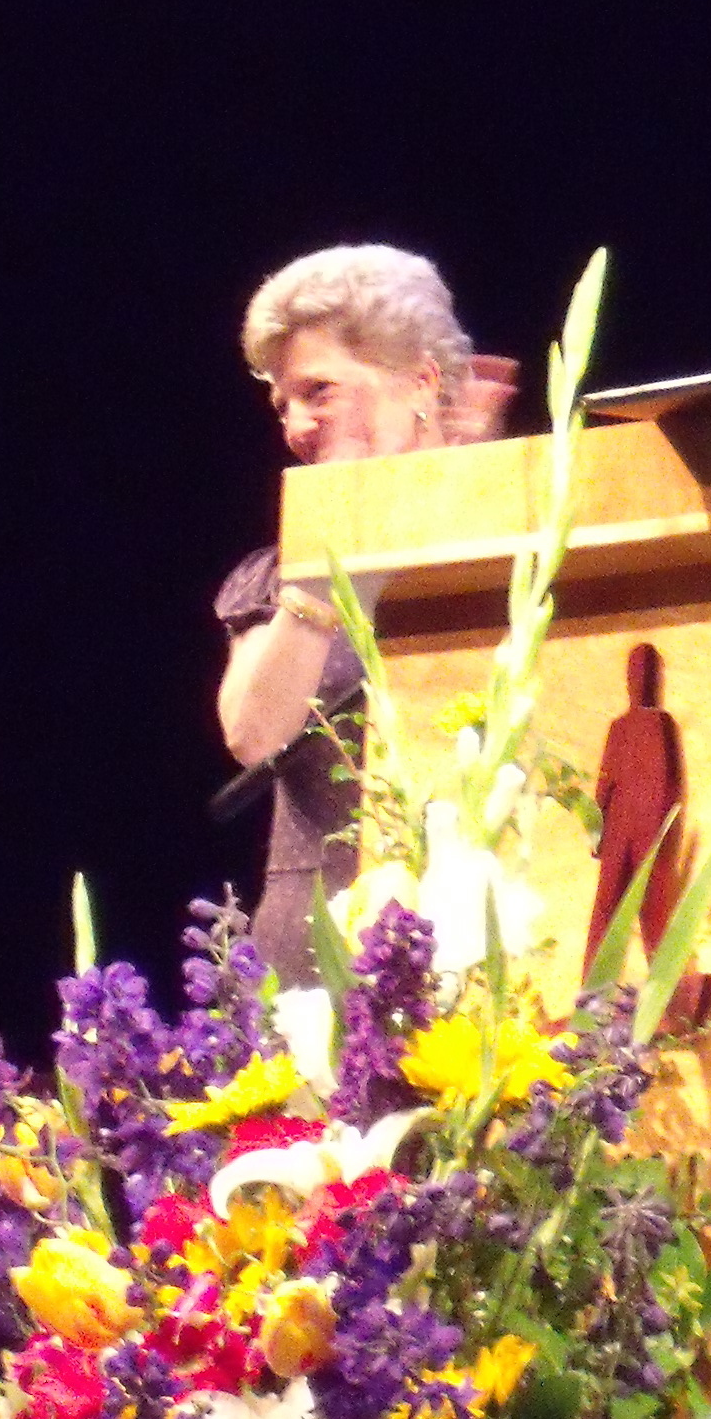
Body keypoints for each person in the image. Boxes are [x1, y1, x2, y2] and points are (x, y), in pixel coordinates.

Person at [217, 242, 507, 984]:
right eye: (283, 404)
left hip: (496, 937)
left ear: (420, 382)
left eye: (319, 391)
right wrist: (324, 570)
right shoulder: (281, 577)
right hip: (320, 964)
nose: (296, 425)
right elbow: (252, 734)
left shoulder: (521, 539)